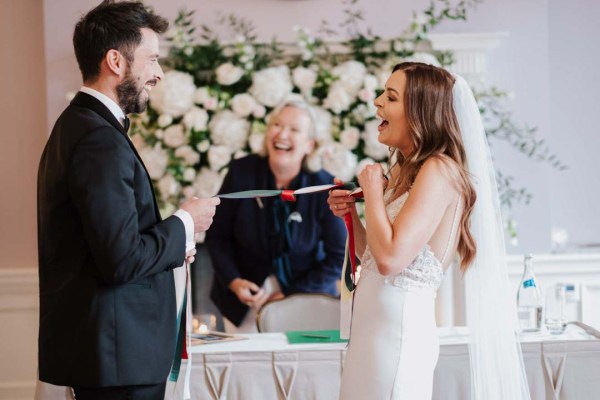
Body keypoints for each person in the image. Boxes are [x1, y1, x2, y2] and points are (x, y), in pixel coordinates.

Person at [37, 1, 220, 399]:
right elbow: (121, 260)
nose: (159, 73)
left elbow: (107, 244)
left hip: (110, 355)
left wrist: (175, 241)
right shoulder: (97, 139)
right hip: (117, 359)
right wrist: (185, 223)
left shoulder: (79, 127)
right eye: (152, 59)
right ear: (116, 61)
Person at [328, 62, 530, 399]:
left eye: (390, 97)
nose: (377, 102)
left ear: (420, 113)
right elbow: (375, 258)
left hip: (397, 339)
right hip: (371, 335)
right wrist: (352, 217)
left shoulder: (440, 170)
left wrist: (374, 191)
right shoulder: (407, 173)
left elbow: (392, 260)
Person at [206, 100, 347, 333]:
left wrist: (290, 295)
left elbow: (338, 255)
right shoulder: (242, 172)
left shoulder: (323, 186)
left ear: (309, 145)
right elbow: (217, 236)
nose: (282, 134)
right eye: (277, 125)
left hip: (307, 302)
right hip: (243, 302)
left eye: (294, 129)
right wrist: (234, 281)